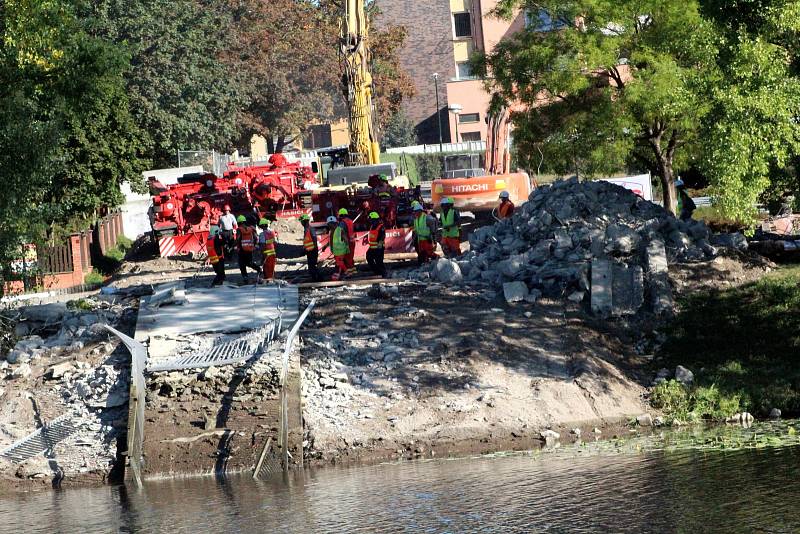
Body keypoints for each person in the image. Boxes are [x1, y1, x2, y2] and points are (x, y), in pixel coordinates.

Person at [236, 215, 261, 282]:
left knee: (241, 264)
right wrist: (254, 245)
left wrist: (234, 246)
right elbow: (256, 238)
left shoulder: (239, 229)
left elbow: (238, 239)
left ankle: (245, 277)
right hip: (250, 249)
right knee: (249, 262)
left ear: (239, 222)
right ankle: (258, 269)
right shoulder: (250, 229)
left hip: (242, 249)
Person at [327, 215, 350, 281]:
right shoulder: (331, 231)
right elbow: (331, 241)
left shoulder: (340, 230)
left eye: (329, 224)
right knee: (339, 263)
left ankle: (347, 273)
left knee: (339, 263)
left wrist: (347, 247)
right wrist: (329, 247)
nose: (329, 226)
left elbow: (345, 239)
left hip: (341, 250)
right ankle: (339, 274)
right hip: (336, 251)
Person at [300, 214, 322, 282]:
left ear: (305, 221)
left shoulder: (310, 229)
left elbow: (314, 239)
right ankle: (315, 279)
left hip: (312, 251)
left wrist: (314, 249)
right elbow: (307, 241)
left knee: (312, 267)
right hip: (309, 251)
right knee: (311, 267)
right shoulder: (306, 229)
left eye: (302, 221)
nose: (301, 223)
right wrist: (304, 250)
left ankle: (318, 279)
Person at [366, 211, 387, 278]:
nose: (370, 221)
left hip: (379, 248)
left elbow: (382, 237)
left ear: (375, 219)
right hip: (372, 248)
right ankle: (376, 272)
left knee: (379, 261)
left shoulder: (381, 227)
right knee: (369, 258)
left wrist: (379, 247)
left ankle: (384, 274)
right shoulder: (372, 226)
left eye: (371, 219)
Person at [338, 208, 357, 275]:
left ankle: (349, 274)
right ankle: (353, 271)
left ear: (342, 215)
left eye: (340, 215)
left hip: (347, 242)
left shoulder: (342, 222)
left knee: (346, 258)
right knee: (351, 257)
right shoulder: (351, 221)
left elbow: (341, 232)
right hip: (352, 241)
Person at [258, 218, 277, 283]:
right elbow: (275, 243)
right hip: (273, 253)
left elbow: (262, 245)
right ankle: (271, 279)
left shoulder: (262, 234)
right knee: (272, 268)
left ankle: (268, 282)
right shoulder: (272, 233)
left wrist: (262, 255)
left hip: (266, 254)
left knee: (266, 269)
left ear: (262, 226)